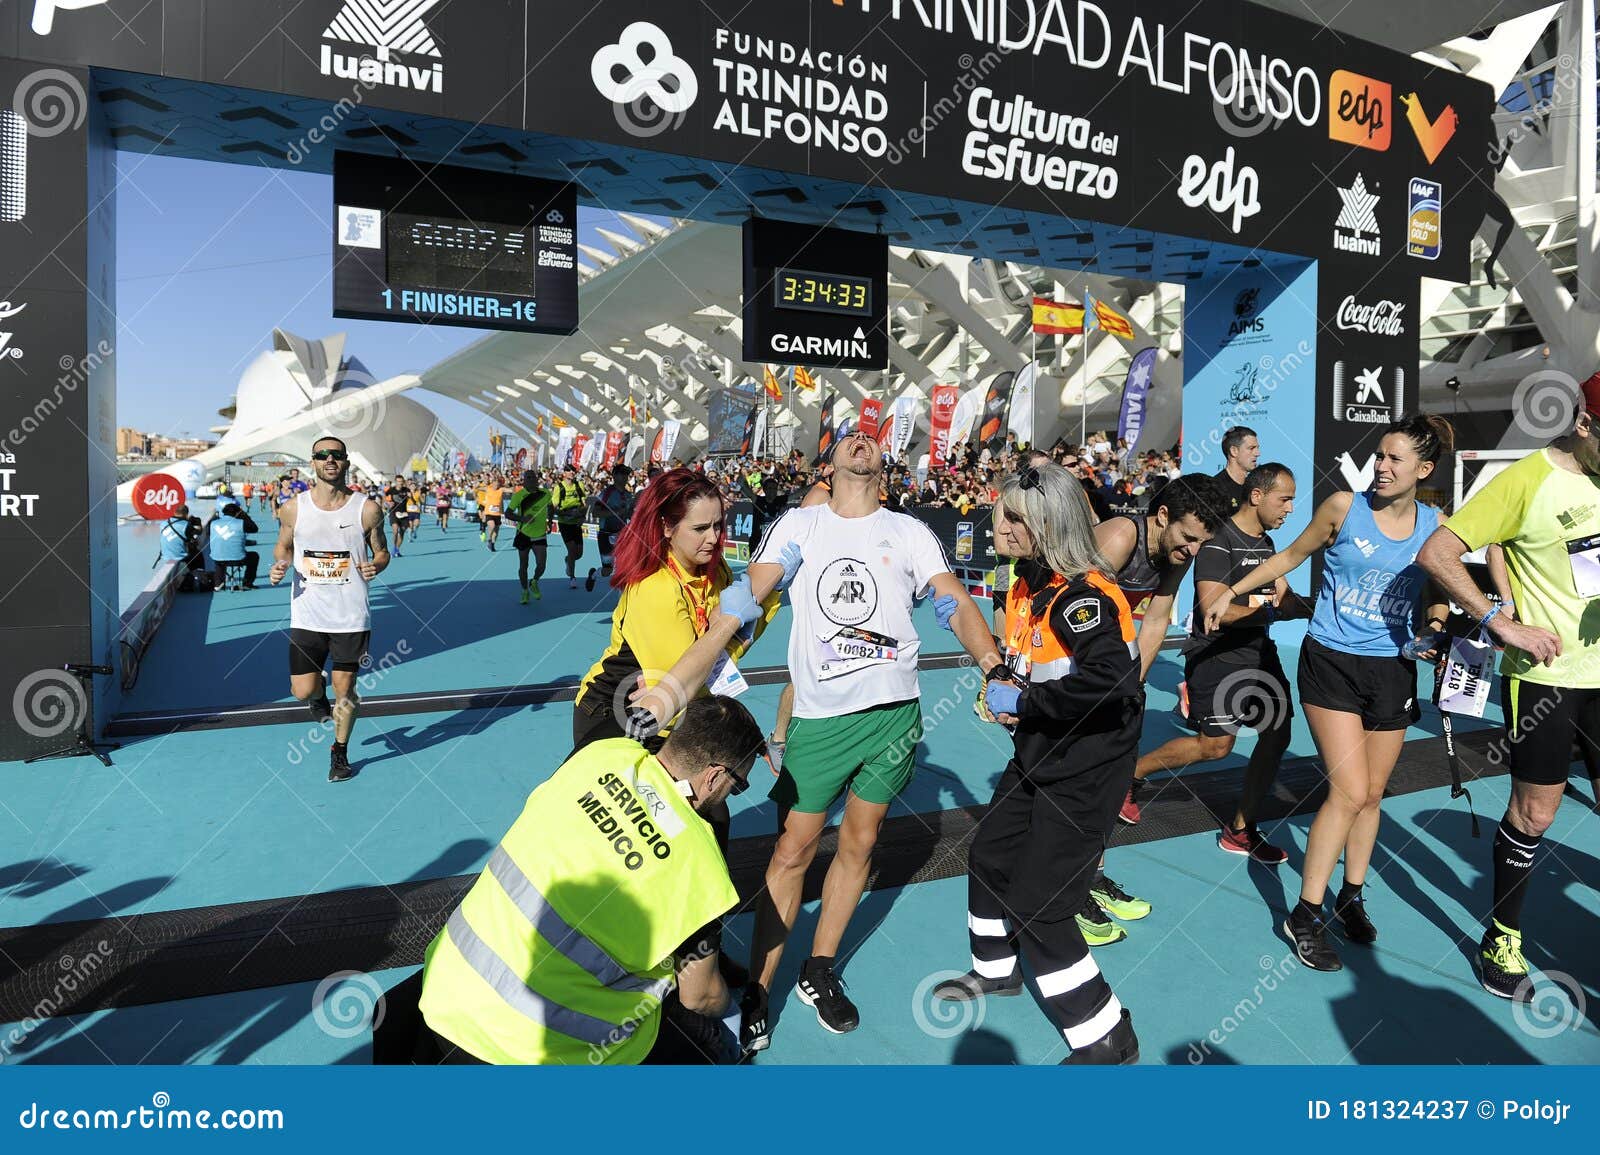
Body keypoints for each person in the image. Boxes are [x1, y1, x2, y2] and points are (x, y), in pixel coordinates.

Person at [678, 430, 1002, 1049]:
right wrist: (726, 622)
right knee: (792, 854)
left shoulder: (909, 532)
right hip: (821, 722)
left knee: (861, 842)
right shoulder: (799, 526)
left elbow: (955, 599)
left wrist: (992, 664)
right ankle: (759, 989)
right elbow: (756, 590)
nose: (860, 441)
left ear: (885, 464)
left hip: (894, 714)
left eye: (870, 438)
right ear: (829, 463)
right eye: (848, 437)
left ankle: (819, 969)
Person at [1203, 416, 1453, 972]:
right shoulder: (1344, 507)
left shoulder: (1435, 525)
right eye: (1380, 456)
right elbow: (1288, 557)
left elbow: (1439, 590)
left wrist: (1435, 628)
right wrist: (1229, 592)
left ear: (1424, 470)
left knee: (1372, 794)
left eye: (1395, 460)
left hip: (1392, 668)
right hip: (1332, 662)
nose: (1382, 468)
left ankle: (1351, 895)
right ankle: (1305, 914)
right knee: (1348, 789)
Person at [411, 697, 767, 1065]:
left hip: (447, 989)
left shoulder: (600, 753)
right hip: (528, 1048)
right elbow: (700, 996)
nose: (731, 793)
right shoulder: (701, 865)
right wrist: (729, 1008)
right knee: (713, 1044)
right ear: (714, 775)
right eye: (737, 784)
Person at [931, 461, 1143, 1064]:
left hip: (1085, 770)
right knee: (989, 854)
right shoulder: (1030, 582)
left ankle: (1107, 1037)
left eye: (1013, 518)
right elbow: (1032, 667)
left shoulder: (1083, 599)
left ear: (1047, 527)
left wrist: (1024, 699)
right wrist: (1000, 675)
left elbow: (1114, 682)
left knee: (1043, 908)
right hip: (1042, 754)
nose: (998, 525)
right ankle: (997, 970)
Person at [1417, 375, 1600, 1001]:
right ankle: (1503, 933)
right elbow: (1438, 551)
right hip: (1548, 680)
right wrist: (1501, 622)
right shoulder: (1527, 479)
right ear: (1582, 424)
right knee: (1537, 813)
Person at [1135, 464, 1311, 863]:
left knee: (1277, 735)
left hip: (1258, 654)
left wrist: (1323, 608)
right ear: (1257, 496)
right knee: (1215, 748)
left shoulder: (1265, 543)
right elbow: (1215, 609)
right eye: (1284, 499)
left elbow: (1285, 599)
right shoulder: (1218, 541)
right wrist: (1271, 608)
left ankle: (1241, 829)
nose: (1290, 509)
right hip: (1218, 657)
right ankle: (1134, 774)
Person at [1080, 474, 1224, 940]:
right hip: (1066, 670)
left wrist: (1132, 687)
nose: (1194, 550)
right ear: (1162, 517)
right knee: (1075, 786)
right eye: (1188, 537)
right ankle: (1065, 889)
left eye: (1202, 542)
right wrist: (1094, 689)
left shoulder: (1176, 553)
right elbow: (1073, 610)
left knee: (1108, 781)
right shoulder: (1122, 536)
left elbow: (1157, 620)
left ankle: (1091, 875)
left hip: (1107, 675)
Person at [572, 468, 791, 751]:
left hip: (671, 710)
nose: (713, 538)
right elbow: (691, 682)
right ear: (667, 527)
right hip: (616, 714)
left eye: (717, 525)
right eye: (700, 529)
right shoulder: (654, 588)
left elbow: (710, 664)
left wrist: (771, 593)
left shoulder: (714, 567)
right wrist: (732, 631)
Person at [269, 436, 389, 783]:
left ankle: (339, 751)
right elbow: (282, 546)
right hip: (307, 613)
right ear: (314, 462)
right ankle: (316, 697)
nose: (330, 460)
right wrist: (280, 564)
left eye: (336, 455)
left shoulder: (367, 509)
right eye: (323, 455)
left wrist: (376, 566)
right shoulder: (293, 508)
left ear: (346, 462)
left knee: (345, 688)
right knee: (303, 690)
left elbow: (382, 552)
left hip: (350, 614)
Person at [505, 470, 552, 605]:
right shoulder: (519, 496)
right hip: (523, 534)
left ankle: (534, 581)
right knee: (523, 565)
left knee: (541, 564)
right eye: (528, 477)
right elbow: (508, 513)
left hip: (540, 534)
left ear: (537, 480)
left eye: (533, 477)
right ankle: (525, 590)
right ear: (524, 480)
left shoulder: (545, 493)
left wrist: (549, 521)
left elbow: (551, 507)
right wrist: (523, 519)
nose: (531, 479)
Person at [587, 465, 635, 591]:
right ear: (614, 476)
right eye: (622, 473)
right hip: (606, 534)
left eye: (626, 474)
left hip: (622, 535)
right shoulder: (607, 493)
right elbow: (595, 513)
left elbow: (630, 514)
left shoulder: (629, 495)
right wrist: (615, 512)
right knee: (607, 570)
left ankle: (623, 600)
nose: (625, 476)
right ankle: (594, 575)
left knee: (624, 568)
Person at [207, 502, 260, 589]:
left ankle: (218, 583)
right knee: (254, 556)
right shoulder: (242, 523)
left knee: (220, 553)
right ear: (237, 513)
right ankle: (247, 583)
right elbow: (255, 528)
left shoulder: (213, 523)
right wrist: (245, 516)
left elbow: (211, 535)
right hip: (239, 559)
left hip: (219, 559)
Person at [552, 465, 588, 589]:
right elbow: (554, 507)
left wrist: (582, 517)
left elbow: (585, 504)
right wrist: (566, 513)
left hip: (576, 523)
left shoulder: (579, 485)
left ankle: (568, 560)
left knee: (579, 554)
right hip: (565, 523)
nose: (572, 472)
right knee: (572, 550)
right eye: (569, 471)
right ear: (564, 473)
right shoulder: (559, 487)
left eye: (573, 471)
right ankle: (572, 577)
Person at [1211, 426, 1260, 515]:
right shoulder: (1214, 488)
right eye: (1251, 448)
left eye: (1257, 448)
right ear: (1234, 451)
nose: (1257, 453)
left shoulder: (1255, 487)